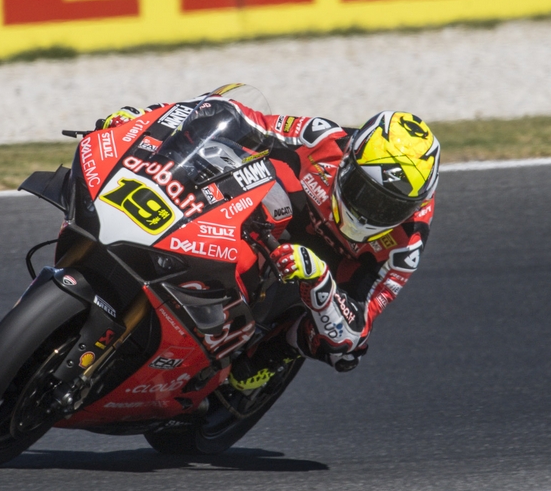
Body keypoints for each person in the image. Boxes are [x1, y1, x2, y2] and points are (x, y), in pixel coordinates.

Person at [98, 92, 438, 385]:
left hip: (333, 269)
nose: (369, 213)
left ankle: (277, 352)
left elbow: (356, 330)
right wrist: (144, 120)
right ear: (349, 161)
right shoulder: (322, 139)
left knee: (344, 353)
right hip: (280, 217)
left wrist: (320, 279)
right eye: (364, 192)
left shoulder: (406, 244)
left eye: (389, 208)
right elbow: (233, 114)